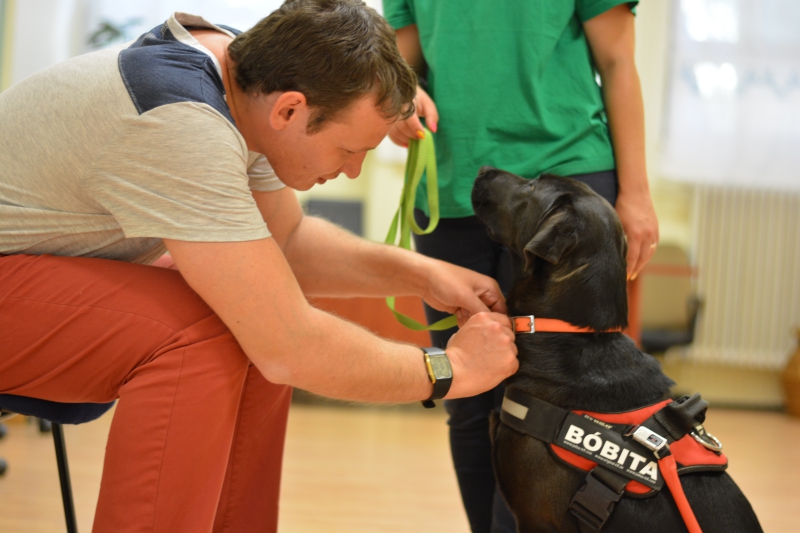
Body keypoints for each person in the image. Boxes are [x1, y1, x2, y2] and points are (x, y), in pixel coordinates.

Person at [0, 1, 520, 532]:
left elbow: (286, 242)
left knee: (247, 312)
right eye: (347, 148)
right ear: (290, 111)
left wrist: (421, 274)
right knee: (207, 332)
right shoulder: (182, 119)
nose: (352, 169)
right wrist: (450, 370)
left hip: (28, 271)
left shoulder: (245, 81)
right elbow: (289, 346)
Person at [381, 1, 660, 531]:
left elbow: (619, 61)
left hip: (567, 187)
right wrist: (399, 94)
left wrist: (638, 194)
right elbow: (401, 61)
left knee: (552, 403)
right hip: (449, 186)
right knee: (465, 395)